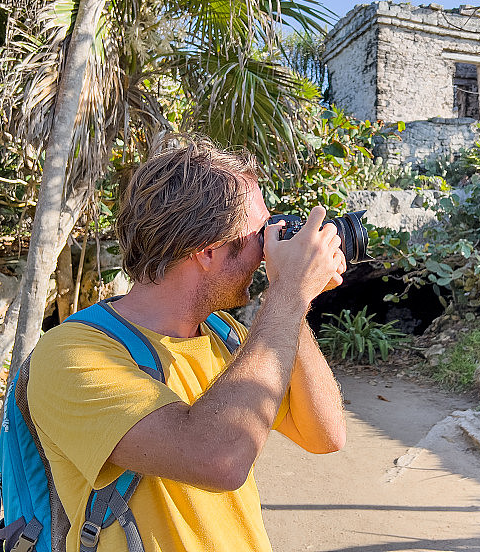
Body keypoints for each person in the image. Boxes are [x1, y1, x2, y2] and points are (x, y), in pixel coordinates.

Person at [27, 134, 348, 552]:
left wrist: (295, 297)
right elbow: (220, 459)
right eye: (260, 235)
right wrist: (288, 293)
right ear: (208, 252)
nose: (271, 247)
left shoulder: (224, 335)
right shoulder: (72, 355)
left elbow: (325, 434)